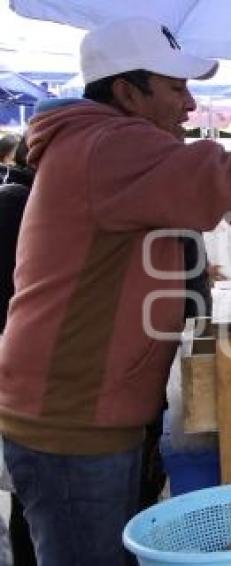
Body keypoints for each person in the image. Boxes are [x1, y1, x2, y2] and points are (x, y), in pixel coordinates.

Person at [0, 17, 231, 566]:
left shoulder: (100, 144)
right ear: (128, 92)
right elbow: (225, 177)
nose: (189, 103)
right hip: (72, 417)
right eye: (175, 88)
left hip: (89, 407)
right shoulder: (107, 143)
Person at [0, 135, 37, 566]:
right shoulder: (16, 203)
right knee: (30, 503)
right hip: (16, 357)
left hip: (17, 355)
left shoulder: (20, 197)